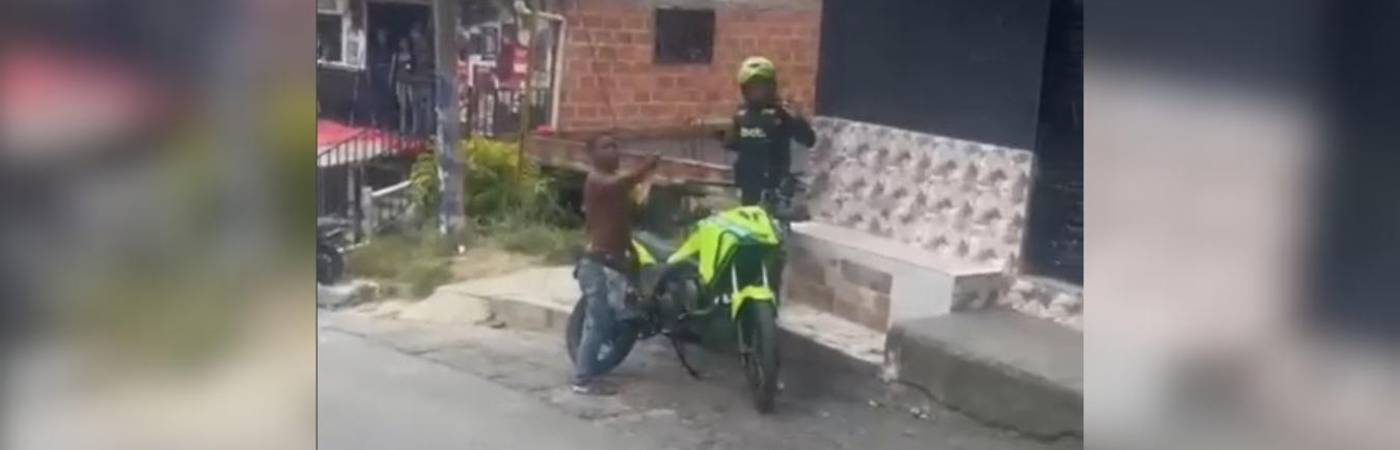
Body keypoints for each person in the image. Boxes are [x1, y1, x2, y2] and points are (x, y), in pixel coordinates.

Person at [572, 135, 660, 396]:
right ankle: (582, 379)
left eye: (615, 146)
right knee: (597, 322)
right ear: (592, 154)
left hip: (616, 263)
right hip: (597, 263)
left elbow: (621, 224)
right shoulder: (597, 180)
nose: (613, 151)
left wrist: (631, 250)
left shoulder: (614, 187)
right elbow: (624, 181)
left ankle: (592, 370)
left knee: (616, 316)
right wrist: (647, 166)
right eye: (606, 147)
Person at [723, 56, 817, 206]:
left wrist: (794, 119)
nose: (757, 92)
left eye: (762, 87)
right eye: (753, 87)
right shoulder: (741, 115)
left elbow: (809, 139)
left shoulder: (781, 113)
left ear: (771, 87)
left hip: (774, 189)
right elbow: (730, 143)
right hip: (746, 188)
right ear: (745, 90)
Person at [389, 38, 415, 135]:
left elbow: (413, 67)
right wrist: (391, 81)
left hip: (409, 82)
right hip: (400, 81)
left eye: (405, 43)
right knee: (402, 105)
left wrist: (410, 69)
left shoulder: (411, 55)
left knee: (411, 105)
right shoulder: (397, 55)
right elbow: (393, 69)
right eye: (402, 43)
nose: (403, 44)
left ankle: (411, 127)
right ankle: (402, 128)